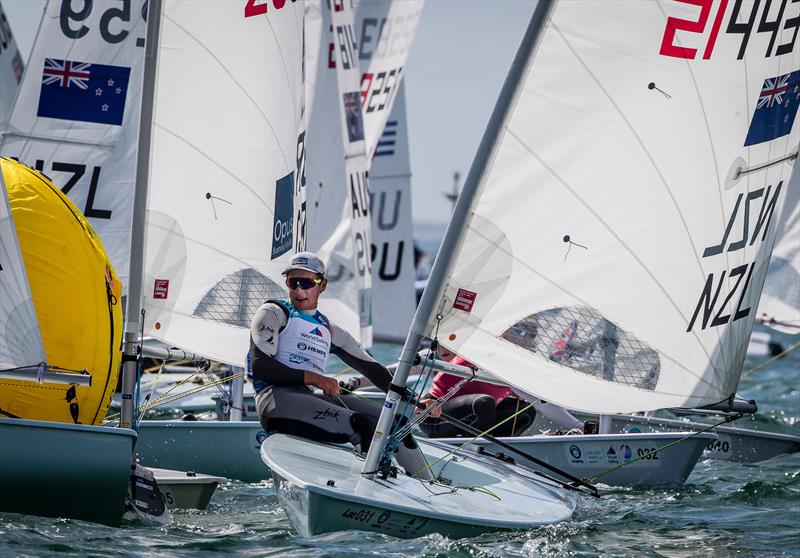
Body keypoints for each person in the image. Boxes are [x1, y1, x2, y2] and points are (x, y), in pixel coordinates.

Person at [248, 252, 432, 479]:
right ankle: (371, 487)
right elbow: (262, 368)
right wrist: (316, 379)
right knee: (362, 425)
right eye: (292, 282)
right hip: (275, 402)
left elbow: (372, 369)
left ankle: (430, 486)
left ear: (322, 285)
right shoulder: (273, 313)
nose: (299, 290)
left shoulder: (329, 330)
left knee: (396, 423)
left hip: (307, 399)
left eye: (307, 282)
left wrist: (414, 400)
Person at [418, 345, 585, 438]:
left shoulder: (513, 365)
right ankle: (475, 446)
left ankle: (497, 446)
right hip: (433, 416)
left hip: (470, 415)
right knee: (483, 403)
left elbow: (539, 400)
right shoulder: (494, 358)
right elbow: (542, 403)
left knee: (524, 410)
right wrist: (580, 426)